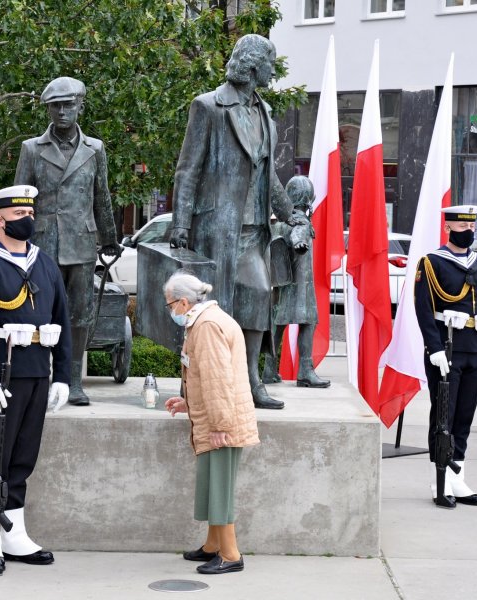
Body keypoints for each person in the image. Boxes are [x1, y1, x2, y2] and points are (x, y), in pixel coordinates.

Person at [169, 34, 297, 410]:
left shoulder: (265, 111)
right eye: (270, 63)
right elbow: (187, 170)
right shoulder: (209, 106)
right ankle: (196, 384)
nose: (273, 70)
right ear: (254, 64)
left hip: (255, 228)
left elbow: (268, 172)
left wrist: (290, 213)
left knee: (258, 295)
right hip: (217, 226)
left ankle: (250, 380)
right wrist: (180, 224)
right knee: (211, 308)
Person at [0, 184, 72, 574]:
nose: (28, 221)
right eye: (20, 216)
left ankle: (15, 535)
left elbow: (62, 322)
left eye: (30, 214)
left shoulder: (45, 263)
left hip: (38, 370)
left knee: (23, 457)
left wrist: (63, 376)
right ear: (0, 219)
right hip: (0, 376)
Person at [15, 76, 119, 407]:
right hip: (44, 244)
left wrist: (110, 238)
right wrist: (14, 245)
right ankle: (41, 376)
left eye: (68, 105)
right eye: (55, 106)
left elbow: (101, 196)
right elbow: (20, 202)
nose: (61, 111)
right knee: (40, 312)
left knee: (80, 315)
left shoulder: (95, 149)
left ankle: (73, 380)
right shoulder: (31, 149)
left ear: (80, 107)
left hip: (83, 244)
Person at [162, 272, 259, 575]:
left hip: (222, 425)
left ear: (184, 301)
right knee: (212, 485)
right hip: (220, 419)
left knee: (219, 489)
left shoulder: (206, 326)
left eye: (170, 305)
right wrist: (189, 403)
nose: (171, 311)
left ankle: (230, 554)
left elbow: (218, 380)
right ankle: (212, 545)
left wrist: (219, 425)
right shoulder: (208, 320)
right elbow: (210, 376)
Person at [414, 205, 477, 509]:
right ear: (448, 228)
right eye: (463, 228)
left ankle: (458, 476)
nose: (469, 232)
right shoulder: (432, 262)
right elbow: (424, 310)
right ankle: (439, 478)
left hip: (475, 348)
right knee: (444, 416)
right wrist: (434, 347)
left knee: (465, 415)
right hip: (447, 350)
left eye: (472, 227)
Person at [263, 176, 329, 388]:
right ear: (307, 199)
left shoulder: (279, 222)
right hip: (300, 286)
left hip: (280, 286)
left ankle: (269, 370)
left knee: (277, 325)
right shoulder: (301, 221)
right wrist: (300, 242)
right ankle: (306, 371)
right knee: (308, 323)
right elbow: (298, 236)